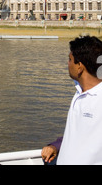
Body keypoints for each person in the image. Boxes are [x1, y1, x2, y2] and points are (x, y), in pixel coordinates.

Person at [41, 35, 102, 165]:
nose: (67, 64)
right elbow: (79, 133)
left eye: (70, 59)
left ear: (79, 67)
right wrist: (56, 146)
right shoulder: (80, 91)